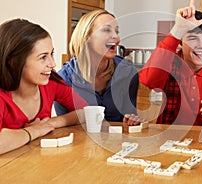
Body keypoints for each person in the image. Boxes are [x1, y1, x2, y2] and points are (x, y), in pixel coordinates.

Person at [0, 18, 88, 154]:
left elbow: (86, 112)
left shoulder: (51, 84)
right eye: (43, 57)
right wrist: (33, 131)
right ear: (14, 61)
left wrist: (50, 123)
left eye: (51, 54)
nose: (52, 64)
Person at [54, 9, 140, 124]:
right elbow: (64, 127)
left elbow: (130, 116)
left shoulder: (127, 72)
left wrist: (132, 120)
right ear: (86, 37)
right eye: (106, 30)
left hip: (117, 140)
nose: (116, 37)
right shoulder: (64, 79)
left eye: (117, 31)